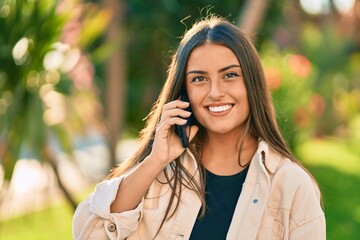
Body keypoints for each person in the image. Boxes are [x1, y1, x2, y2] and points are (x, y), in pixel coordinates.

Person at [73, 16, 326, 240]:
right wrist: (155, 160)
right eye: (199, 79)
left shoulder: (293, 186)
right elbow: (88, 233)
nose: (215, 92)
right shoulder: (160, 174)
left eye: (230, 75)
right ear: (184, 93)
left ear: (252, 83)